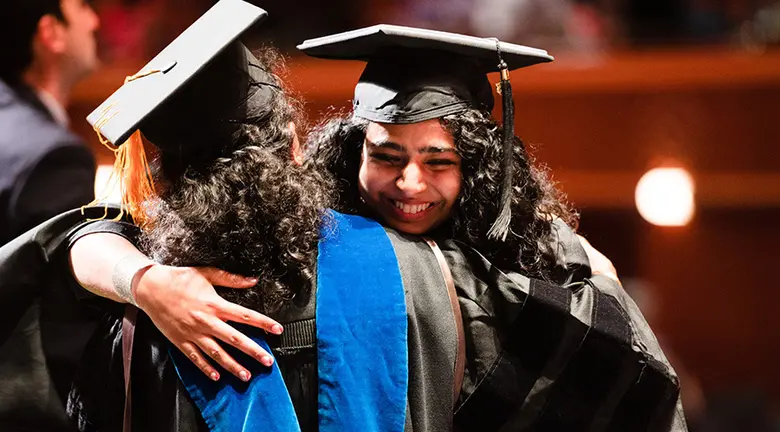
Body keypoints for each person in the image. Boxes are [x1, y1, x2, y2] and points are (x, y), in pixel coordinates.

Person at [57, 14, 686, 431]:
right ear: (316, 153)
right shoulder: (451, 281)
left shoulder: (128, 322)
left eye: (439, 161)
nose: (409, 184)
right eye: (385, 155)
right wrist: (141, 280)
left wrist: (588, 278)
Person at [0, 0, 100, 429]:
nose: (95, 20)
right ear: (51, 33)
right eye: (81, 7)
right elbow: (63, 330)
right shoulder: (52, 156)